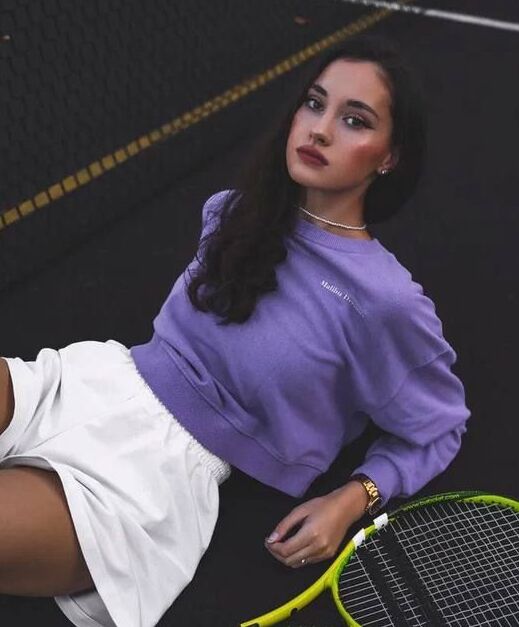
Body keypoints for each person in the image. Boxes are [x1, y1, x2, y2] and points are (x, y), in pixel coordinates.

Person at [0, 34, 470, 627]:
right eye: (314, 104)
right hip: (87, 382)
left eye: (354, 120)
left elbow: (439, 427)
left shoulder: (386, 302)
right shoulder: (232, 212)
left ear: (389, 157)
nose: (320, 129)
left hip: (154, 478)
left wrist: (352, 498)